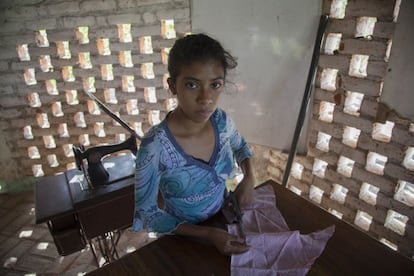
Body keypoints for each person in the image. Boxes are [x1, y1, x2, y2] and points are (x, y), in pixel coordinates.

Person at [133, 33, 255, 255]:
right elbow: (147, 215)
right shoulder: (155, 147)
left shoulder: (221, 122)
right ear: (172, 86)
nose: (205, 98)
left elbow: (241, 147)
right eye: (192, 84)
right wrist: (207, 235)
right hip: (182, 238)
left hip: (223, 221)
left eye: (215, 84)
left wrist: (249, 178)